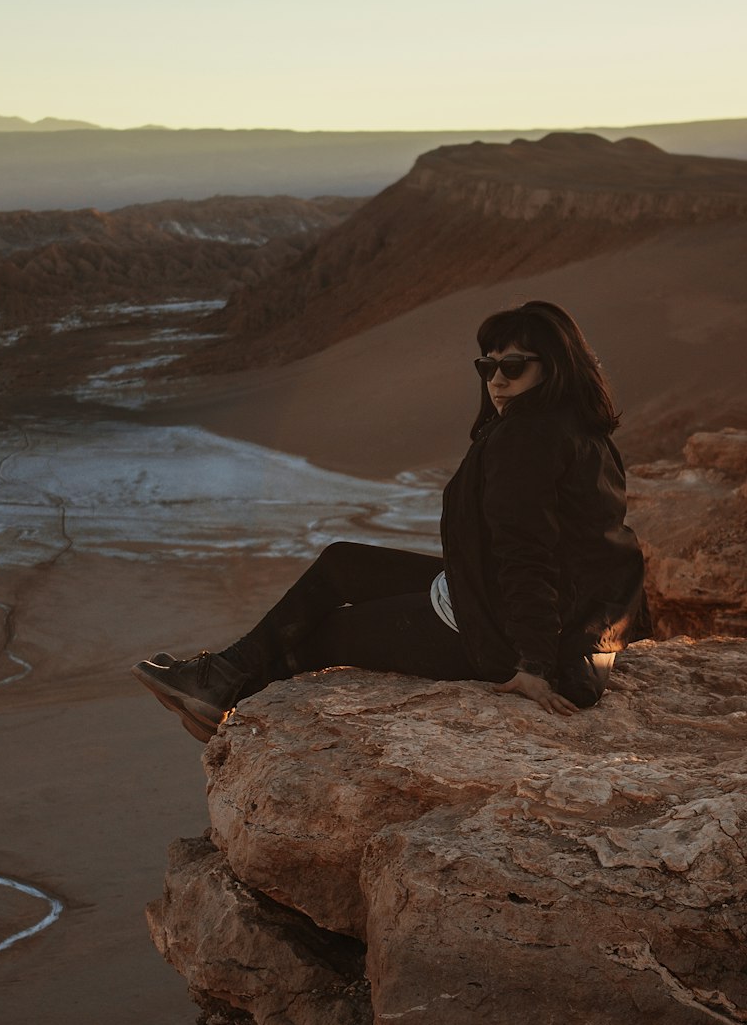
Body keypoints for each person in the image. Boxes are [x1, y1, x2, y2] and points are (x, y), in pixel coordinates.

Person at [132, 300, 651, 740]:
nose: (495, 380)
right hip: (520, 610)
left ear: (554, 367)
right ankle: (217, 681)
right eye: (485, 366)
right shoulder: (584, 432)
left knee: (327, 633)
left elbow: (526, 551)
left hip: (502, 633)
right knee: (342, 564)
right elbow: (600, 550)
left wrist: (534, 665)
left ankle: (216, 692)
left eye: (512, 367)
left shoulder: (526, 438)